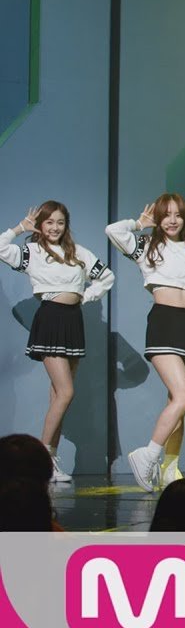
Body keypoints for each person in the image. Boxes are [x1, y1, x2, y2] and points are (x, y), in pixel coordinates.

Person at [107, 194, 185, 492]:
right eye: (166, 214)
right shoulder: (147, 246)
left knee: (179, 404)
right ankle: (147, 455)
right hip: (164, 323)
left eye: (177, 214)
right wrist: (139, 223)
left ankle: (169, 467)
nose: (172, 220)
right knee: (184, 396)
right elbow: (113, 231)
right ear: (158, 218)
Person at [0, 202, 114, 481]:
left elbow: (107, 277)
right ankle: (43, 460)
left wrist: (85, 296)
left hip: (73, 321)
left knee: (57, 395)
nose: (54, 227)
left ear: (66, 225)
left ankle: (49, 462)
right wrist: (19, 228)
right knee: (66, 392)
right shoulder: (32, 252)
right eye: (49, 222)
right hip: (51, 319)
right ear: (40, 225)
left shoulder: (78, 252)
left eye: (60, 222)